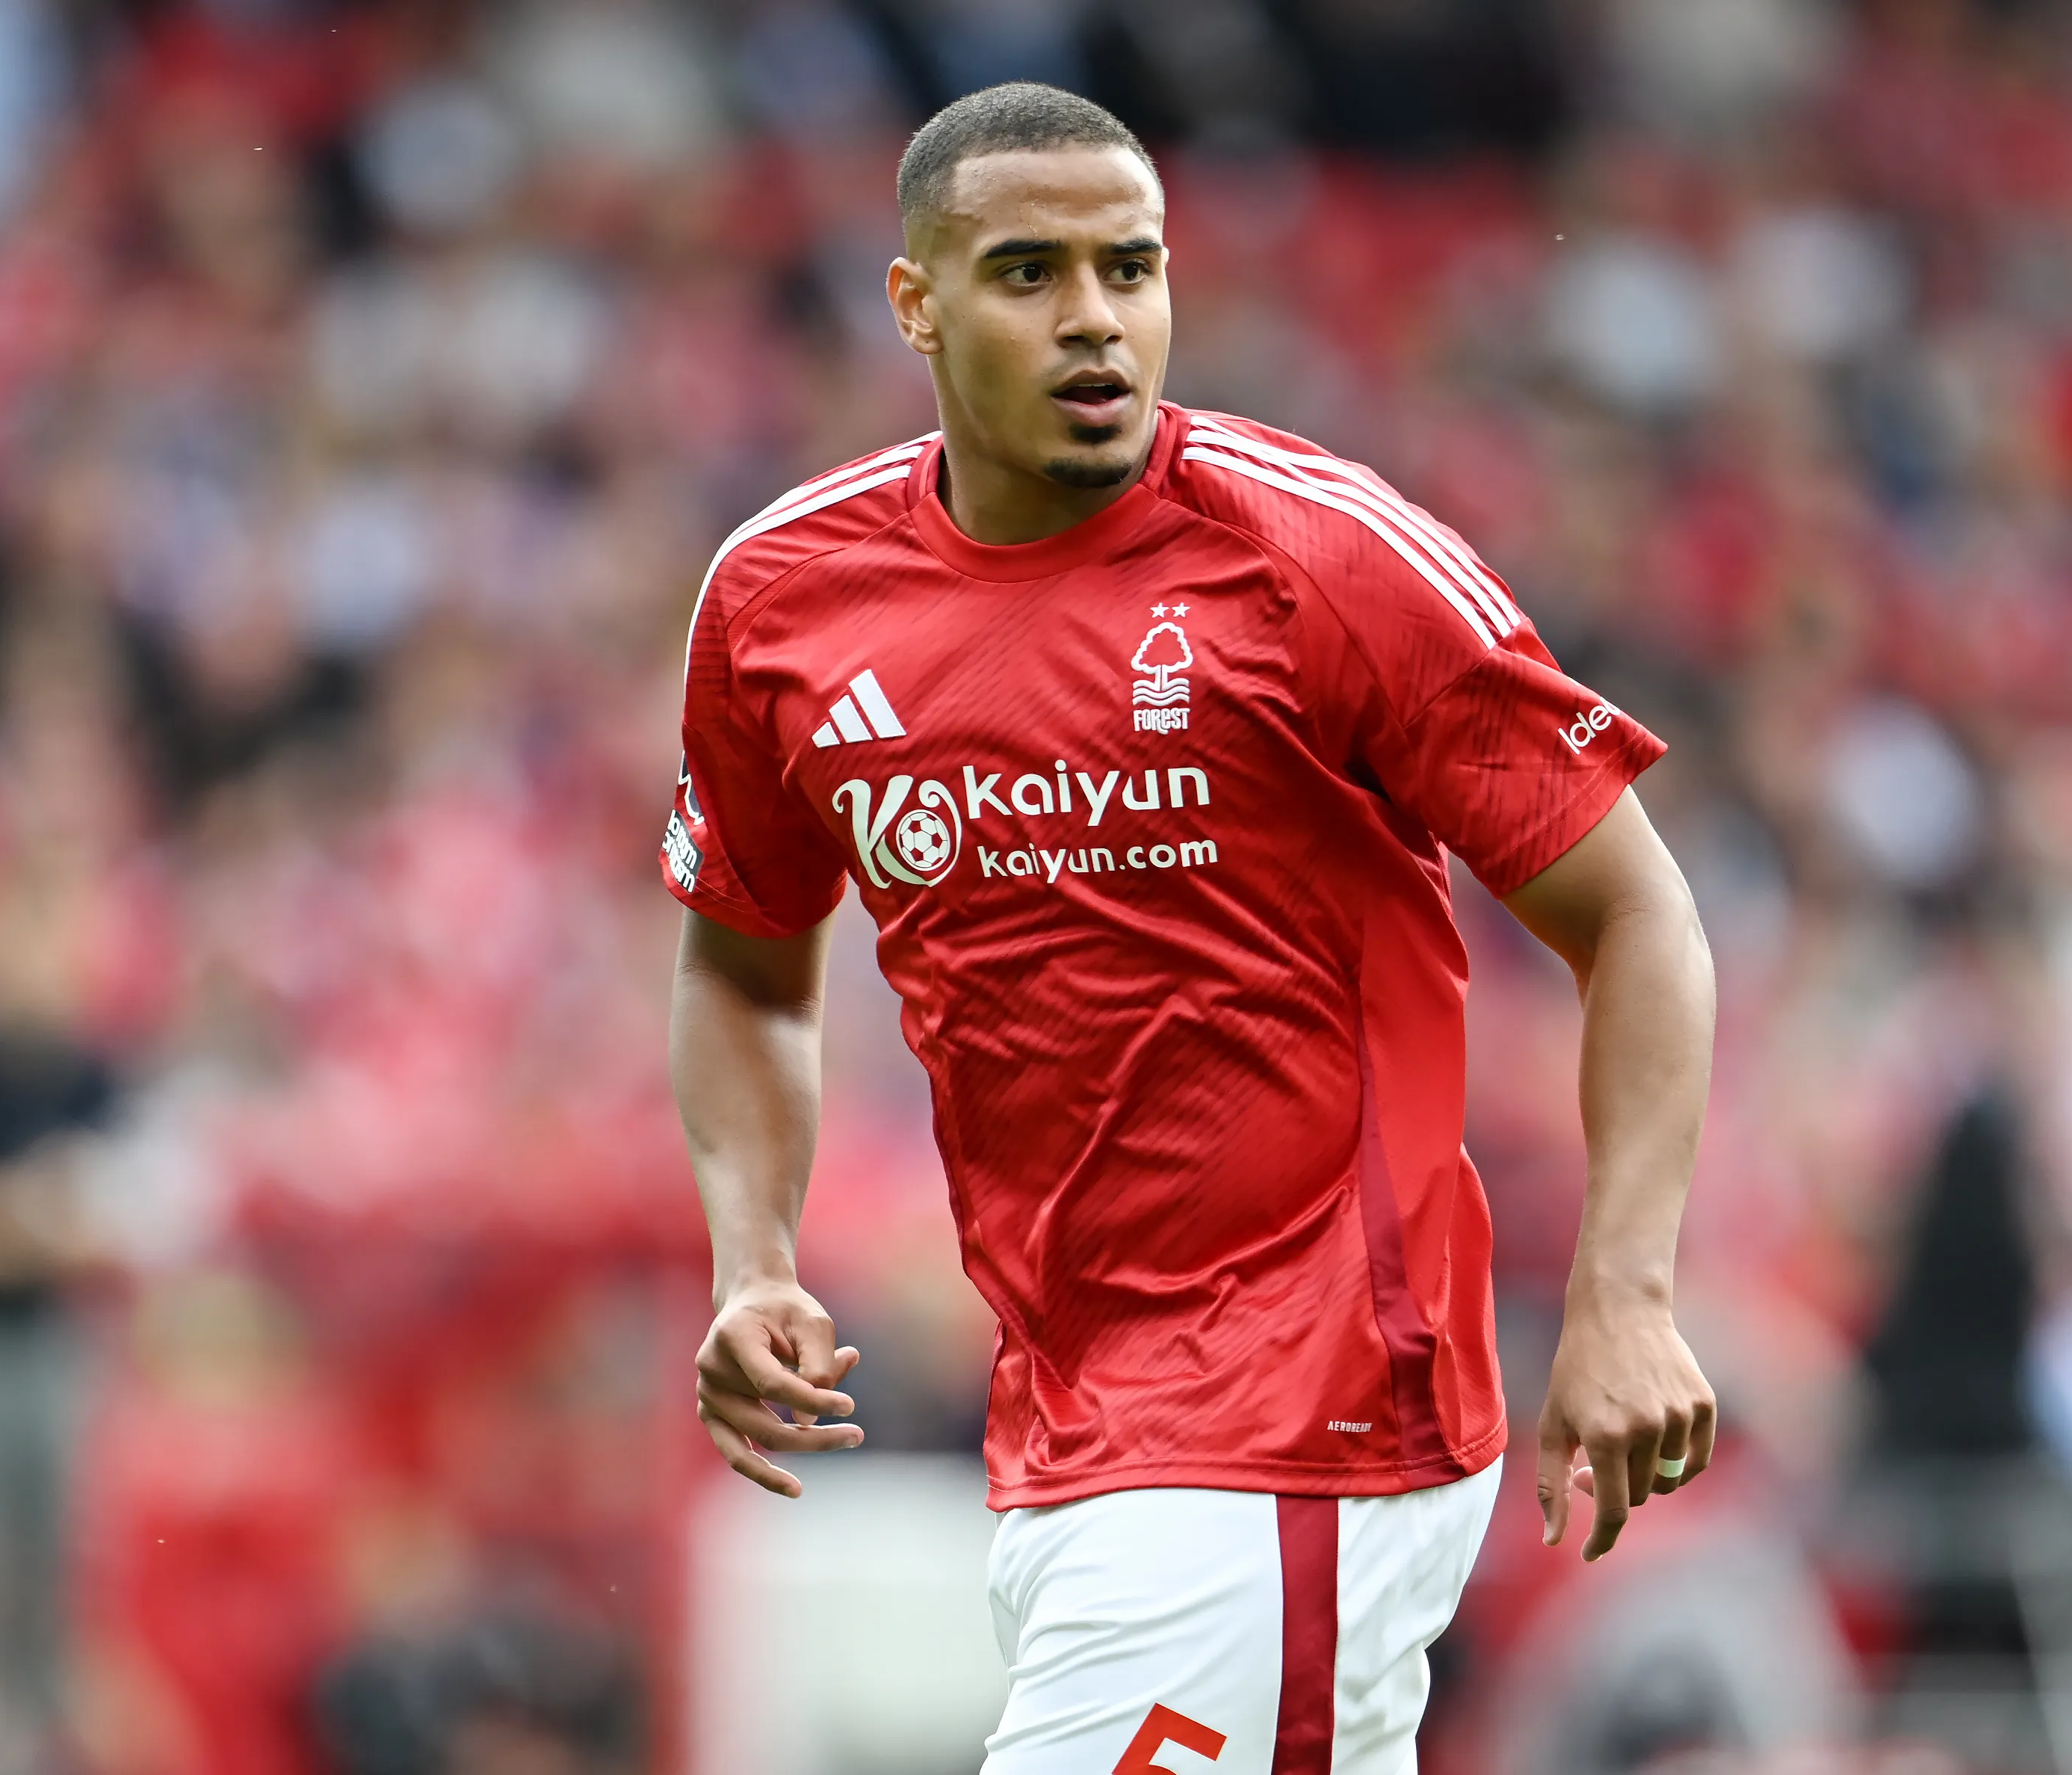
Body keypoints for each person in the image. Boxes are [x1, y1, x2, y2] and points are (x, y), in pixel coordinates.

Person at [662, 81, 1716, 1770]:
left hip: (1301, 1420)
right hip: (1075, 1422)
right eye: (1027, 273)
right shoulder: (782, 596)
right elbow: (739, 958)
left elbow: (1639, 914)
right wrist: (753, 1253)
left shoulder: (1321, 559)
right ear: (914, 304)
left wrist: (1626, 1294)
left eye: (1130, 267)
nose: (1094, 317)